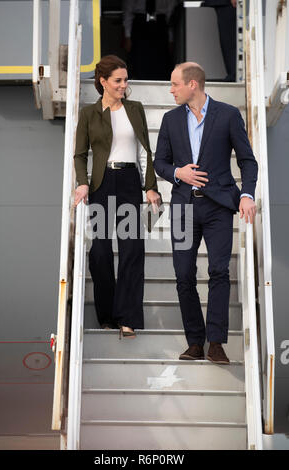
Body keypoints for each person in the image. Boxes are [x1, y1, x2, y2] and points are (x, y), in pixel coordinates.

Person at [154, 62, 257, 363]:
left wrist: (247, 194)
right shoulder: (170, 120)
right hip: (184, 208)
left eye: (175, 84)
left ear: (192, 85)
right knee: (184, 274)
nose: (171, 90)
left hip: (219, 207)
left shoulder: (228, 115)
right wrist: (178, 173)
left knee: (218, 272)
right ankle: (195, 342)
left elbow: (248, 161)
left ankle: (216, 342)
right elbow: (160, 162)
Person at [74, 55, 161, 339]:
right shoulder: (89, 113)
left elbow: (145, 151)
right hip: (101, 183)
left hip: (128, 182)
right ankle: (107, 316)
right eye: (118, 80)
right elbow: (79, 154)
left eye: (125, 79)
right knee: (99, 252)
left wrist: (150, 187)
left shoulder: (135, 109)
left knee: (132, 250)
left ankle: (128, 319)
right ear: (103, 82)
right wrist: (82, 183)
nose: (124, 85)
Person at [122, 0, 178, 80]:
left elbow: (171, 14)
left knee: (161, 62)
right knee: (139, 60)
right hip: (140, 23)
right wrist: (127, 36)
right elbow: (128, 10)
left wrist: (171, 39)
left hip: (160, 24)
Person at [203, 0, 237, 82]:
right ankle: (233, 73)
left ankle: (234, 74)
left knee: (230, 40)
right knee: (228, 40)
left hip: (228, 3)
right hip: (225, 3)